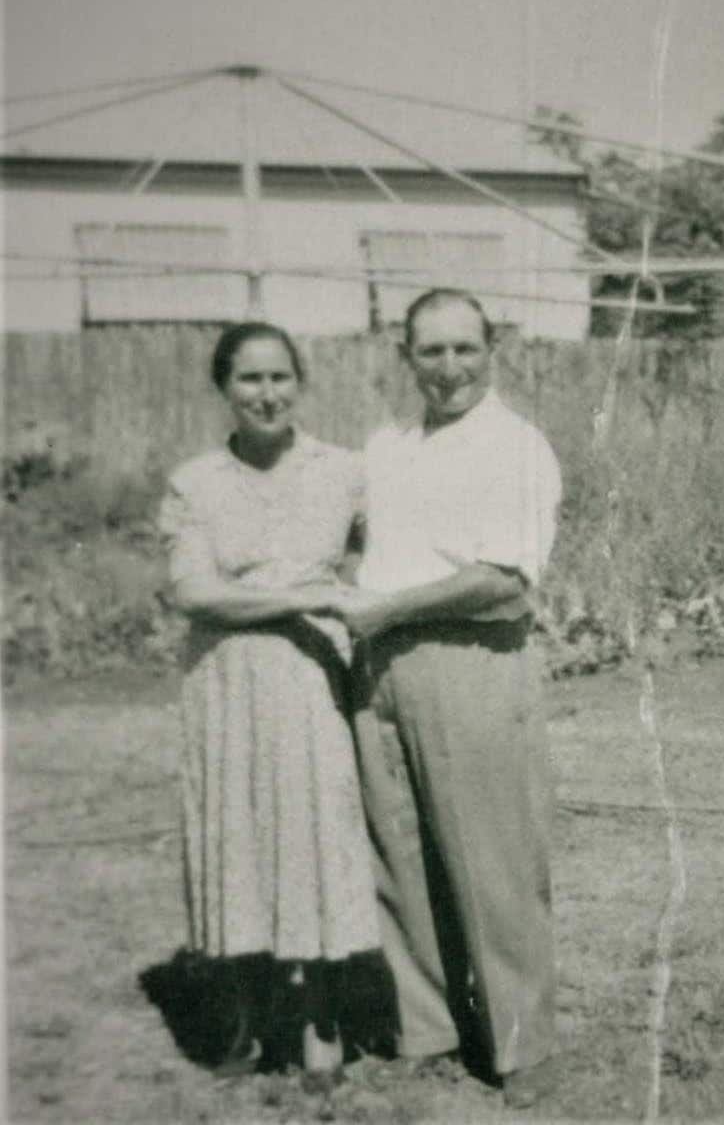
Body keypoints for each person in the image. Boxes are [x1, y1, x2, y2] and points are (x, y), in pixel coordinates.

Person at [343, 289, 563, 1109]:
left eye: (464, 350)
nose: (449, 369)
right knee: (398, 853)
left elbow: (502, 583)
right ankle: (426, 1030)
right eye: (431, 352)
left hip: (469, 664)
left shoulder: (515, 447)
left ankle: (521, 1044)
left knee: (493, 860)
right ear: (406, 357)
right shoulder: (387, 446)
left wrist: (384, 608)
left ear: (492, 348)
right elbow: (364, 546)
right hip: (381, 668)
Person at [158, 322, 380, 1090]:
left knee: (314, 833)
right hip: (228, 681)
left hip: (312, 678)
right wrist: (302, 596)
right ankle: (247, 1014)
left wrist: (340, 601)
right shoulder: (198, 482)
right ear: (224, 387)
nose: (267, 394)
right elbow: (194, 592)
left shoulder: (344, 471)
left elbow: (367, 564)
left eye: (280, 377)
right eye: (249, 379)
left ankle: (320, 1021)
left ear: (301, 382)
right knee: (241, 832)